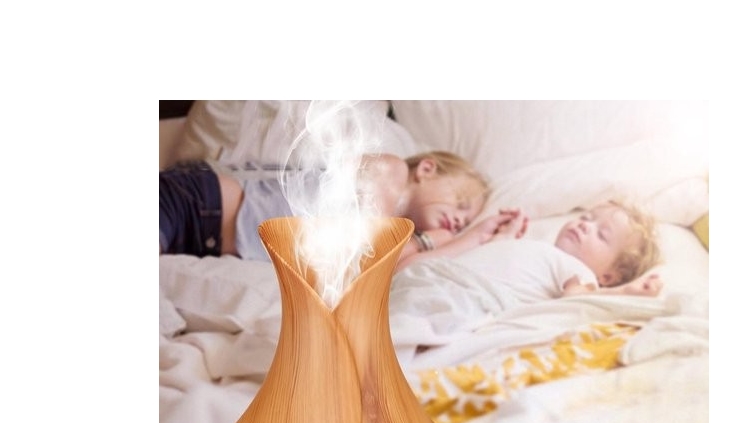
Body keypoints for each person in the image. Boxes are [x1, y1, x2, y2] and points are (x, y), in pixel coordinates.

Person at [159, 151, 524, 264]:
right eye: (461, 203)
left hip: (203, 245)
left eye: (464, 220)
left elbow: (401, 269)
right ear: (427, 169)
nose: (458, 219)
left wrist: (476, 238)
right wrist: (428, 241)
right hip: (198, 203)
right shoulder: (390, 170)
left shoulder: (401, 236)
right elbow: (373, 254)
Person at [395, 200, 662, 299]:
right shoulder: (537, 249)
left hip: (469, 296)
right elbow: (490, 257)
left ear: (608, 277)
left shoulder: (579, 271)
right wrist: (506, 235)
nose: (585, 225)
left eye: (602, 234)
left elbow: (578, 299)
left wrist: (625, 293)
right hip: (439, 278)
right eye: (587, 217)